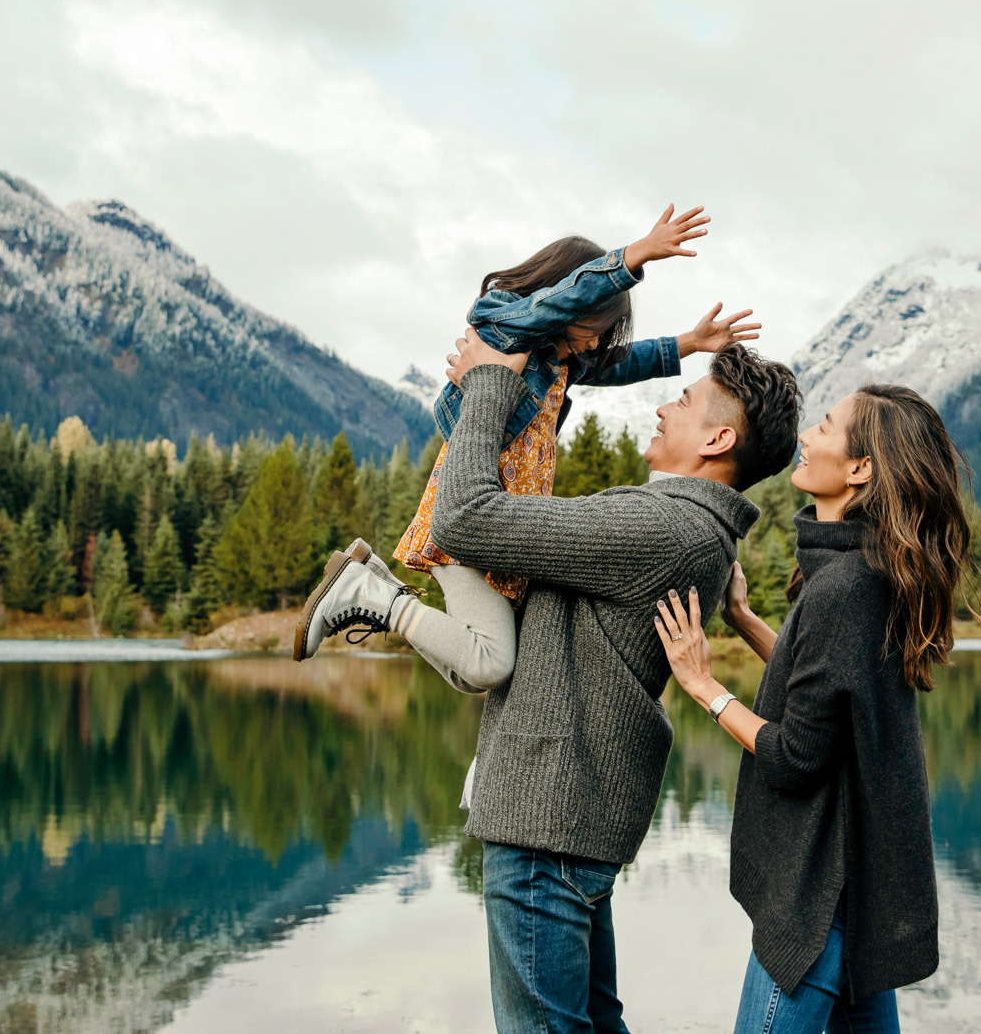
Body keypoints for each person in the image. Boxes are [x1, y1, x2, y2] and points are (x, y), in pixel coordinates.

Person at [304, 338, 802, 1034]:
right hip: (572, 818)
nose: (663, 406)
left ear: (718, 438)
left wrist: (485, 387)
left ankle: (379, 598)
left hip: (549, 824)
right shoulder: (692, 530)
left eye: (682, 401)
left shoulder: (661, 525)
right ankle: (381, 599)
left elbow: (465, 519)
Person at [293, 204, 761, 692]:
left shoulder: (565, 361)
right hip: (470, 507)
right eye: (594, 325)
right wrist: (632, 258)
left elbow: (619, 364)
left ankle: (375, 587)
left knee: (475, 674)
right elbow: (552, 306)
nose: (596, 341)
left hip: (507, 522)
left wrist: (688, 342)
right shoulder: (509, 328)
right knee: (488, 664)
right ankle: (367, 592)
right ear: (569, 302)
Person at [653, 384, 968, 1034]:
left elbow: (797, 752)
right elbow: (827, 691)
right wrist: (742, 618)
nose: (808, 435)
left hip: (819, 900)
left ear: (860, 469)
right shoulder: (866, 572)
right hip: (856, 891)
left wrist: (703, 685)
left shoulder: (847, 587)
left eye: (824, 426)